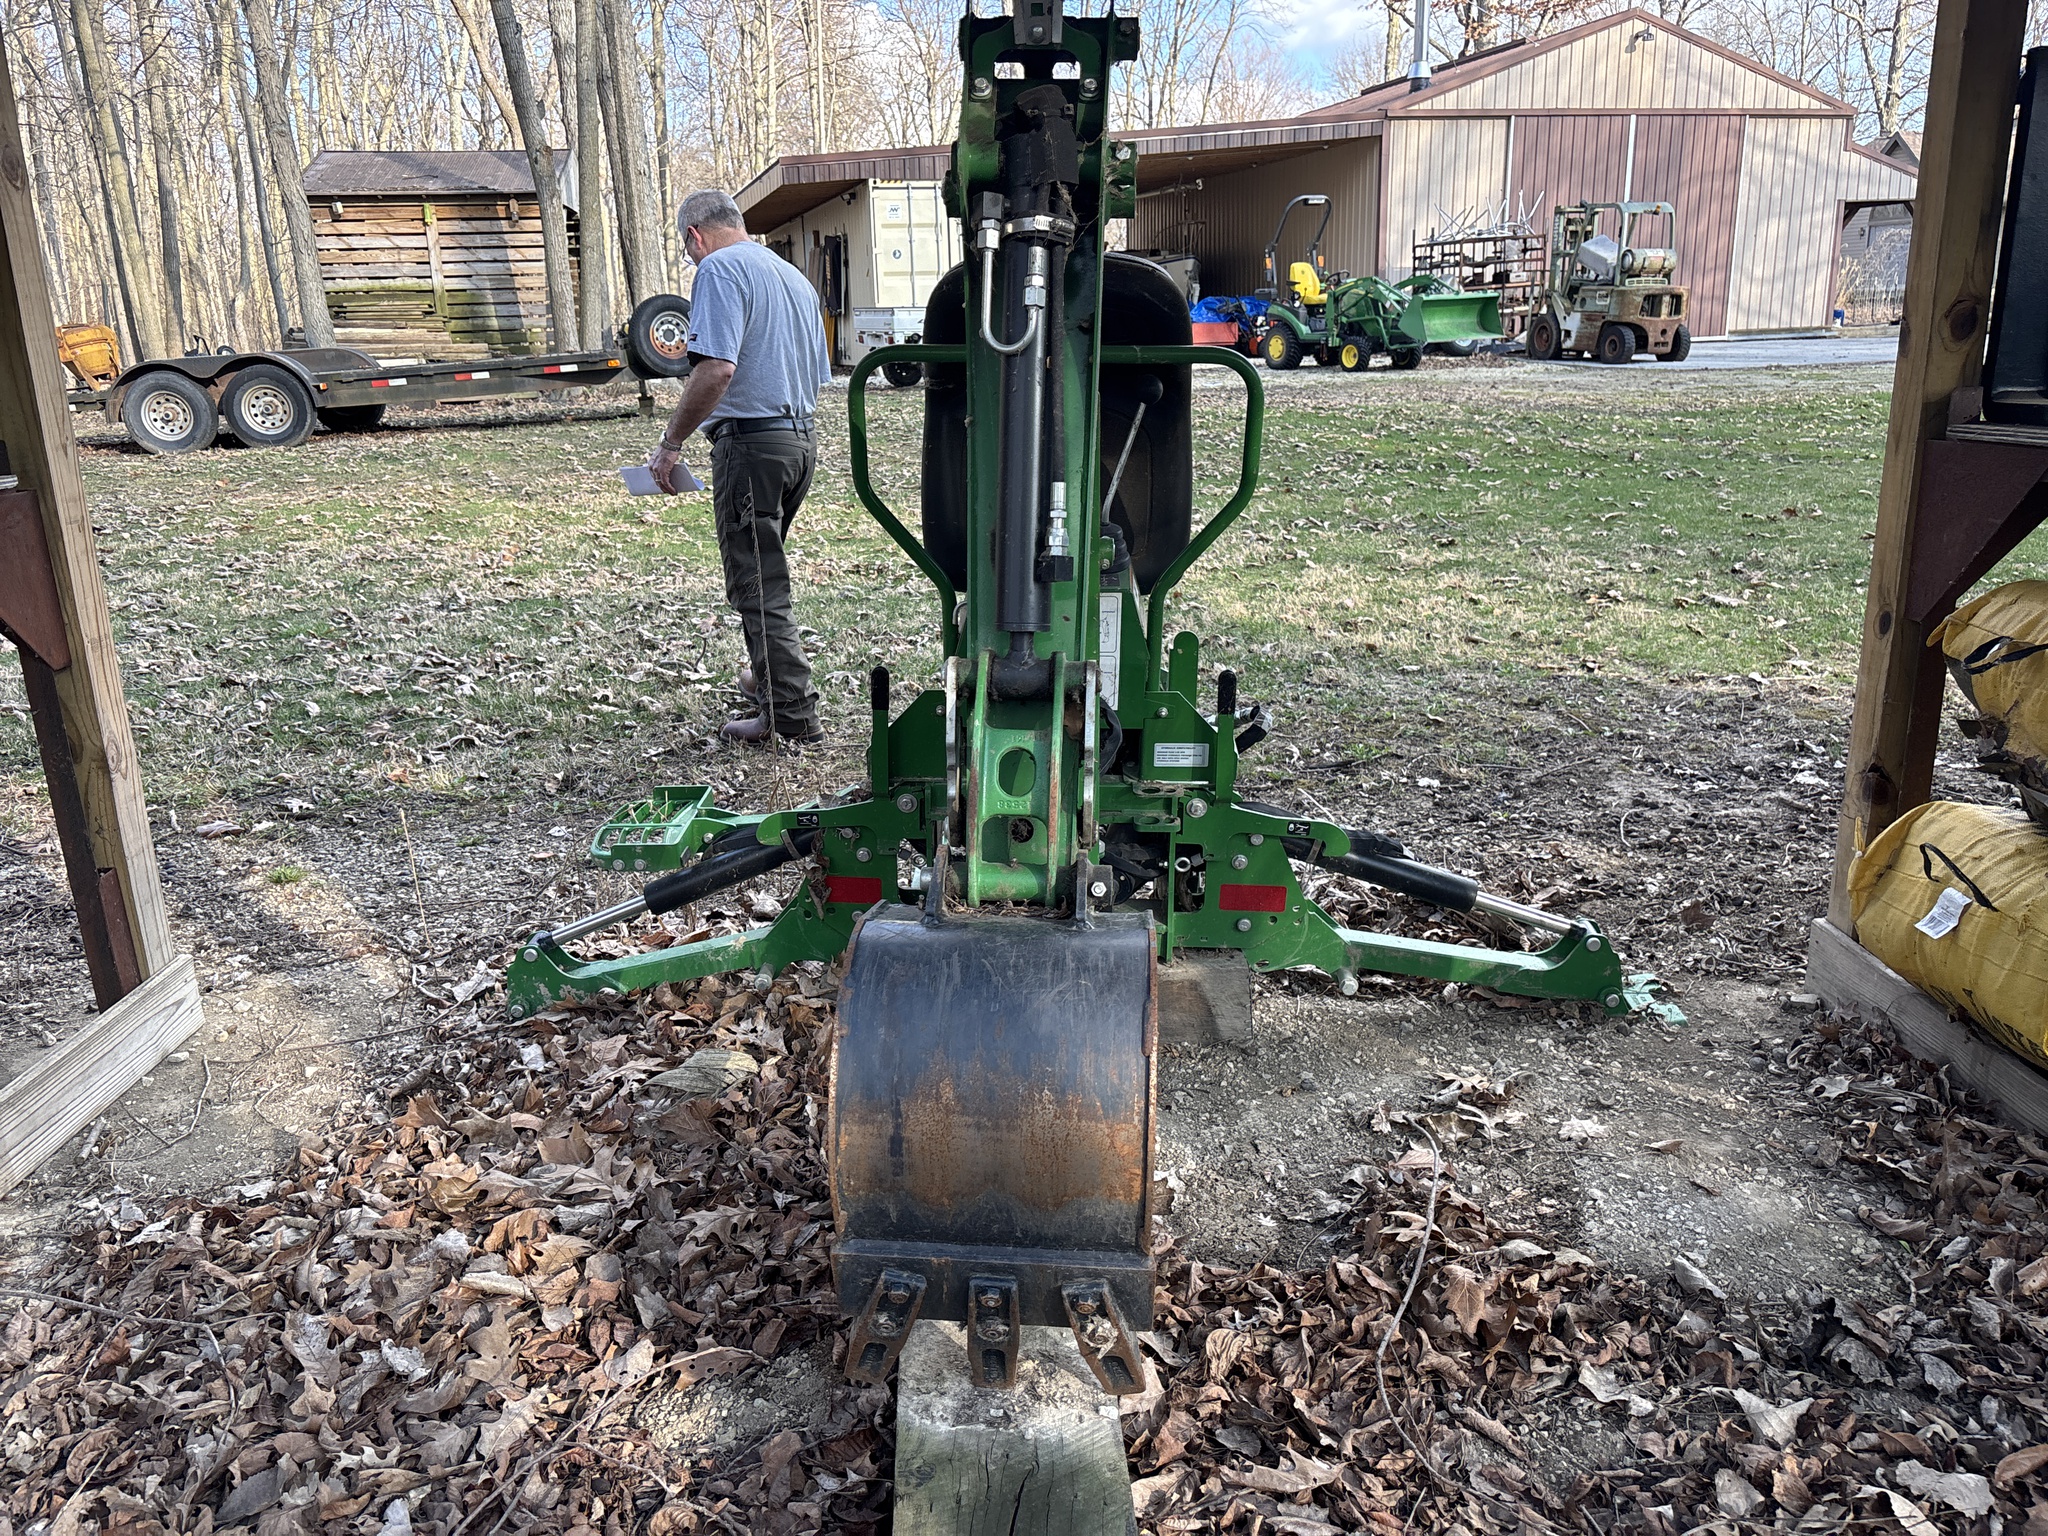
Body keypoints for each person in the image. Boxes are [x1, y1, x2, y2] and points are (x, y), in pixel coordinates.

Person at [650, 189, 832, 745]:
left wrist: (670, 442)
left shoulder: (719, 270)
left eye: (688, 249)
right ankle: (767, 676)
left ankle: (792, 718)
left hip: (751, 446)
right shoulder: (789, 275)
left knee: (757, 584)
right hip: (800, 440)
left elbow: (715, 372)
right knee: (765, 565)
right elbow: (819, 372)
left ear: (694, 236)